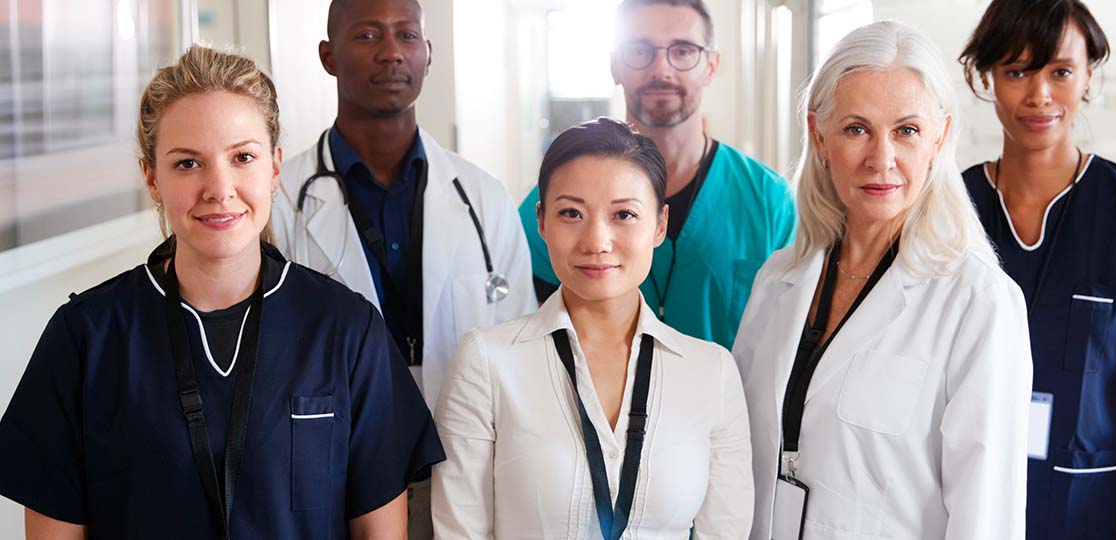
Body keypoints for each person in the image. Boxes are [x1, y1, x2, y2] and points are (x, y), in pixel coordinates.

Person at [0, 45, 443, 539]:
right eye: (188, 163)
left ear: (274, 168)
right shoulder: (84, 340)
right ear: (152, 177)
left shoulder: (346, 331)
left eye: (243, 157)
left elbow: (379, 533)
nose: (219, 187)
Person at [734, 21, 1033, 539]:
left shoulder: (979, 302)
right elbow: (738, 456)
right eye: (856, 129)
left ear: (938, 138)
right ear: (819, 136)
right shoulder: (777, 280)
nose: (882, 159)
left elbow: (987, 516)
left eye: (906, 131)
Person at [270, 1, 535, 535]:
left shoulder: (483, 197)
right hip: (330, 468)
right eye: (367, 35)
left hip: (462, 462)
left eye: (407, 35)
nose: (391, 52)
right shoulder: (280, 202)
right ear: (328, 56)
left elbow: (520, 349)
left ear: (428, 53)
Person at [431, 118, 753, 539]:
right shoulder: (487, 363)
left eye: (624, 214)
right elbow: (461, 532)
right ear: (542, 222)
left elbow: (725, 532)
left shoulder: (711, 372)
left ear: (659, 224)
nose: (596, 241)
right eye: (571, 213)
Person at [959, 1, 1116, 538]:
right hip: (964, 504)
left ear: (1089, 73)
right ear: (985, 76)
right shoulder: (949, 212)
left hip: (1086, 509)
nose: (1039, 94)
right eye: (1016, 71)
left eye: (1060, 71)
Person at [517, 0, 796, 351]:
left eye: (683, 51)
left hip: (728, 404)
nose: (661, 69)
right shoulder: (555, 203)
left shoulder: (771, 203)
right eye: (639, 50)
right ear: (615, 65)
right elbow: (527, 341)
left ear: (711, 66)